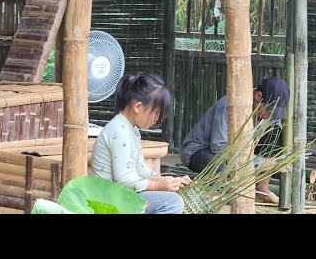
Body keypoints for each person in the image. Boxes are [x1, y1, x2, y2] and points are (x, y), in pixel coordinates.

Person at [179, 76, 290, 204]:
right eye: (270, 111)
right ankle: (227, 190)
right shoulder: (230, 105)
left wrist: (273, 161)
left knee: (275, 137)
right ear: (258, 96)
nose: (271, 116)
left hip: (238, 151)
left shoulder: (266, 111)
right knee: (221, 164)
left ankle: (262, 188)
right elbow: (219, 148)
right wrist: (260, 162)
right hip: (200, 152)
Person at [91, 73, 191, 214]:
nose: (157, 119)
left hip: (119, 196)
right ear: (138, 107)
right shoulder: (119, 132)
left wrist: (169, 180)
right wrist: (157, 185)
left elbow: (140, 169)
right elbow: (124, 180)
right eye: (156, 113)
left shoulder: (130, 130)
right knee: (173, 202)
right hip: (108, 201)